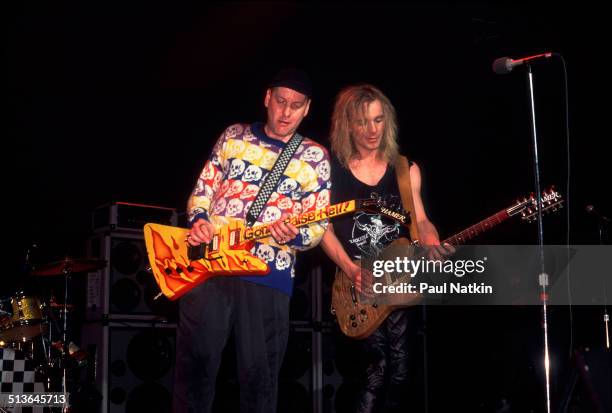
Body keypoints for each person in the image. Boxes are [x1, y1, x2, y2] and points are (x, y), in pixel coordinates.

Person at [174, 68, 331, 412]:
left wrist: (297, 233)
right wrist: (199, 220)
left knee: (259, 379)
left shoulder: (315, 156)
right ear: (266, 98)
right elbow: (204, 189)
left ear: (307, 109)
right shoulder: (234, 135)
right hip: (210, 267)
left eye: (296, 105)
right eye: (280, 102)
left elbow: (318, 224)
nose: (286, 112)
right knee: (194, 371)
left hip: (267, 272)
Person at [320, 84, 450, 412]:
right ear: (348, 124)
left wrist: (431, 240)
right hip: (355, 287)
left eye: (378, 120)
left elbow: (420, 219)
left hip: (399, 285)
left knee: (402, 376)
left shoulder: (405, 170)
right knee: (372, 374)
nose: (372, 130)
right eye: (364, 122)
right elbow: (321, 230)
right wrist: (351, 268)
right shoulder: (331, 172)